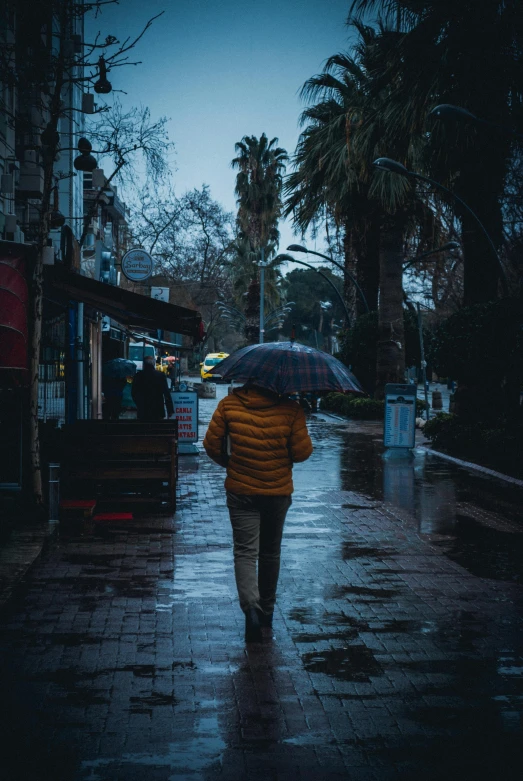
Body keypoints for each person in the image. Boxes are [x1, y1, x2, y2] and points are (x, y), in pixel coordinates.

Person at [203, 384, 313, 643]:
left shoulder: (229, 405)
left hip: (241, 491)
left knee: (244, 551)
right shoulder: (291, 409)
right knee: (270, 552)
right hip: (277, 492)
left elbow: (211, 445)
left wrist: (231, 465)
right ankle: (268, 612)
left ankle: (251, 608)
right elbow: (302, 452)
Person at [131, 355, 174, 421]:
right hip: (157, 410)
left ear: (144, 364)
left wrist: (139, 404)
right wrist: (170, 410)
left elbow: (133, 393)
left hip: (143, 410)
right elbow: (166, 393)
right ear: (153, 363)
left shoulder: (138, 376)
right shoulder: (160, 376)